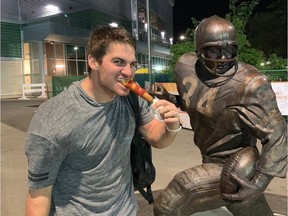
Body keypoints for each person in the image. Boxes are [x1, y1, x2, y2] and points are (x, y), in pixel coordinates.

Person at [25, 25, 181, 216]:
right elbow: (38, 196)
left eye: (132, 64)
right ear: (93, 61)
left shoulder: (131, 99)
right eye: (118, 62)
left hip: (126, 210)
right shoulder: (53, 118)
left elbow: (156, 137)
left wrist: (171, 126)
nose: (128, 72)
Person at [153, 16, 287, 216]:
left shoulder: (250, 84)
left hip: (235, 165)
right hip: (210, 158)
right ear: (199, 51)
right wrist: (172, 99)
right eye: (215, 50)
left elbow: (279, 136)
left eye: (230, 50)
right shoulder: (185, 66)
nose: (224, 58)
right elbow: (200, 103)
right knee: (253, 211)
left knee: (170, 203)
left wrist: (259, 182)